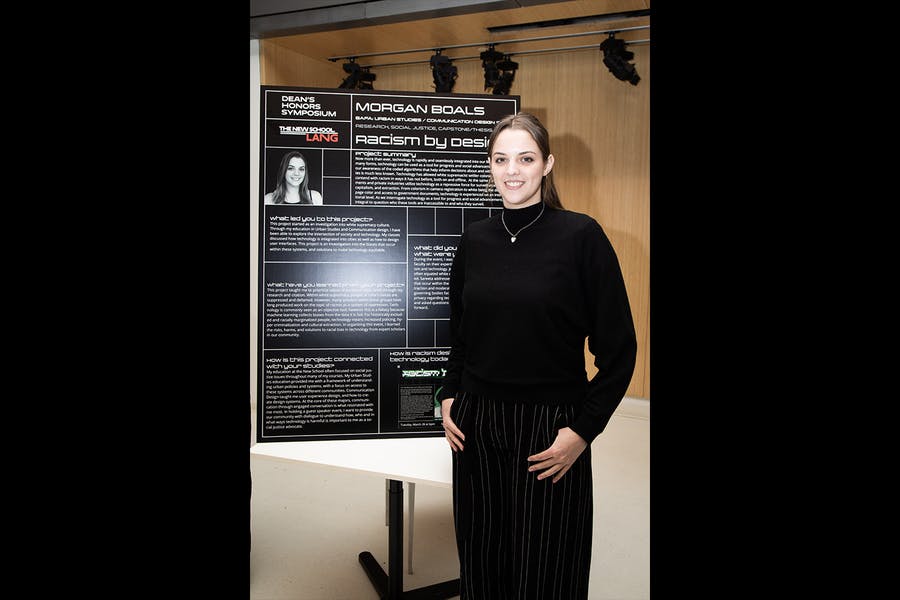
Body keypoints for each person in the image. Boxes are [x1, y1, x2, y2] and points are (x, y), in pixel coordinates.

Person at [439, 112, 637, 600]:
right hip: (477, 425)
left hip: (550, 428)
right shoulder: (474, 240)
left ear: (546, 164)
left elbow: (619, 349)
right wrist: (449, 394)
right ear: (489, 165)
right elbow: (461, 331)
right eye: (501, 159)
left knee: (547, 569)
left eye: (525, 158)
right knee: (482, 560)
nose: (512, 171)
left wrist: (583, 429)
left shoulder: (580, 237)